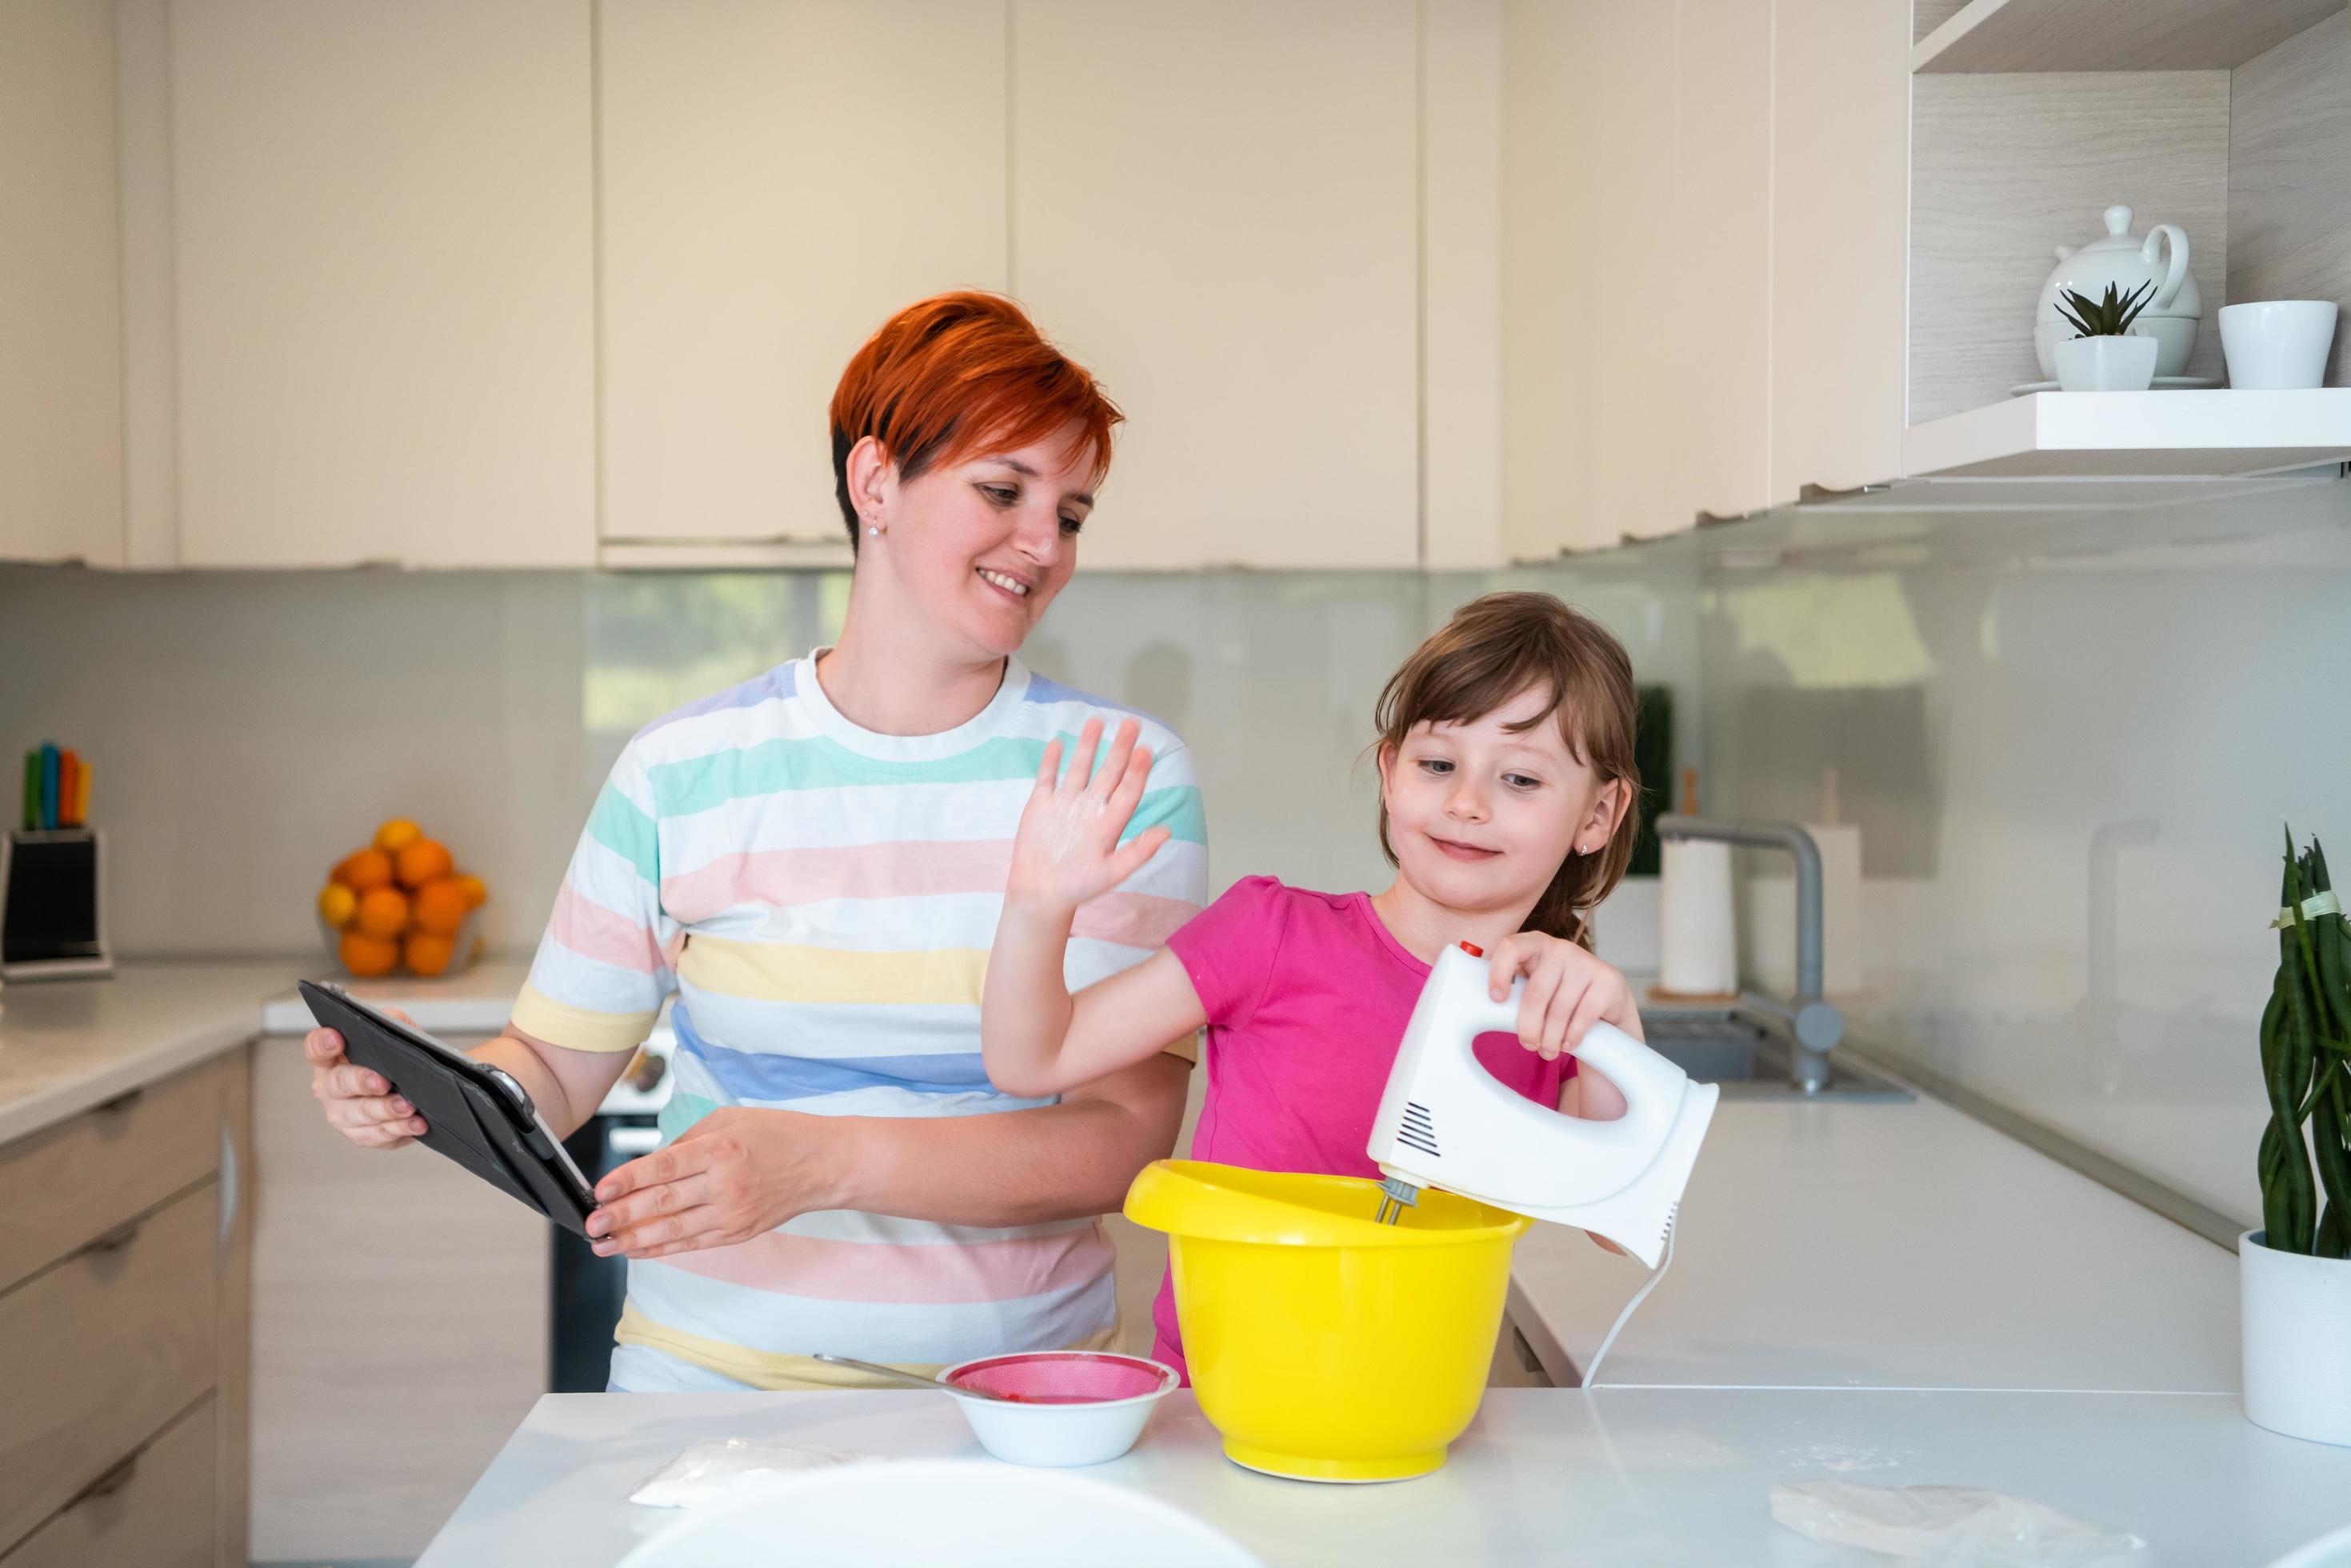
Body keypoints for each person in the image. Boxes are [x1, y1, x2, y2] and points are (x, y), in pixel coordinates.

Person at [304, 293, 1206, 1390]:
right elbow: (548, 1066)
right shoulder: (683, 769)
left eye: (1070, 513)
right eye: (1002, 490)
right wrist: (426, 1089)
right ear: (875, 483)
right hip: (706, 1380)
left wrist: (821, 1161)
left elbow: (1120, 1139)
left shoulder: (1119, 777)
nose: (1043, 544)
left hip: (1023, 1393)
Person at [982, 590, 1642, 1378]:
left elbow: (1621, 1222)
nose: (1466, 803)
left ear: (1597, 814)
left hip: (1419, 1417)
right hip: (1217, 1412)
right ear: (1391, 773)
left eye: (1520, 780)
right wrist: (1035, 903)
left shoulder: (1550, 1024)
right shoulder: (1267, 936)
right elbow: (1032, 1058)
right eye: (1438, 764)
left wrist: (1613, 1018)